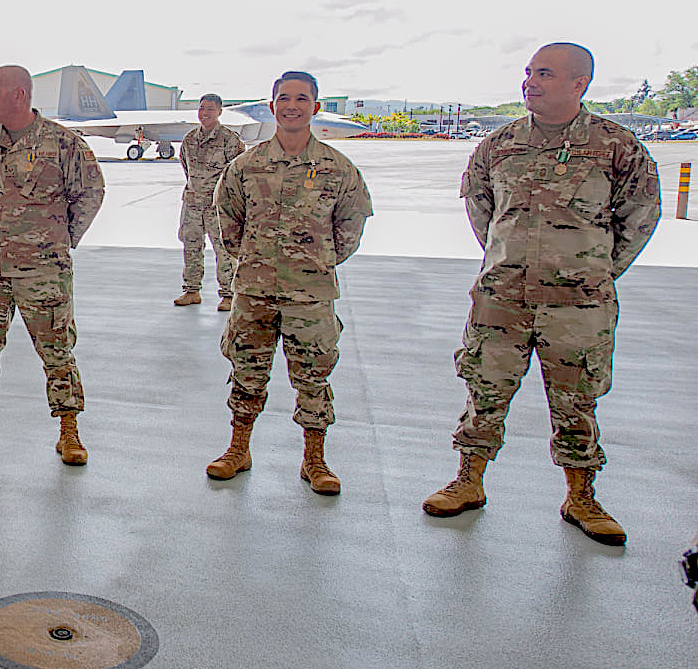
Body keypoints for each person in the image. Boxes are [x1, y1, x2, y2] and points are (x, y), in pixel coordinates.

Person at [423, 43, 660, 545]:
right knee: (484, 391)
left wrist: (590, 271)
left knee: (578, 400)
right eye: (528, 72)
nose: (530, 81)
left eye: (545, 73)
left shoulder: (616, 146)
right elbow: (483, 212)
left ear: (580, 83)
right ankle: (468, 481)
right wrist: (509, 261)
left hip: (578, 306)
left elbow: (638, 218)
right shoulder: (499, 144)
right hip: (503, 296)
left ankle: (581, 496)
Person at [207, 71, 372, 494]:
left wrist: (316, 263)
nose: (293, 105)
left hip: (310, 296)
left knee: (313, 378)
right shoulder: (246, 166)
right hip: (254, 293)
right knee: (246, 372)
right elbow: (228, 221)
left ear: (316, 108)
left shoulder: (338, 168)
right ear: (272, 105)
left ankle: (315, 461)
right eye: (284, 98)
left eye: (302, 99)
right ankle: (238, 450)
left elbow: (350, 227)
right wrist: (257, 259)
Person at [0, 64, 106, 465]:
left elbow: (91, 191)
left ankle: (69, 431)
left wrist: (62, 238)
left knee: (56, 349)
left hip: (43, 270)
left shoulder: (62, 143)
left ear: (20, 94)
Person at [176, 93, 245, 311]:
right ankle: (191, 290)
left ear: (219, 111)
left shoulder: (230, 140)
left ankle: (228, 294)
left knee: (224, 250)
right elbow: (186, 167)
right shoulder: (189, 139)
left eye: (210, 109)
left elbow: (238, 173)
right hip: (193, 203)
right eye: (202, 108)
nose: (204, 113)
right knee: (191, 247)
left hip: (218, 206)